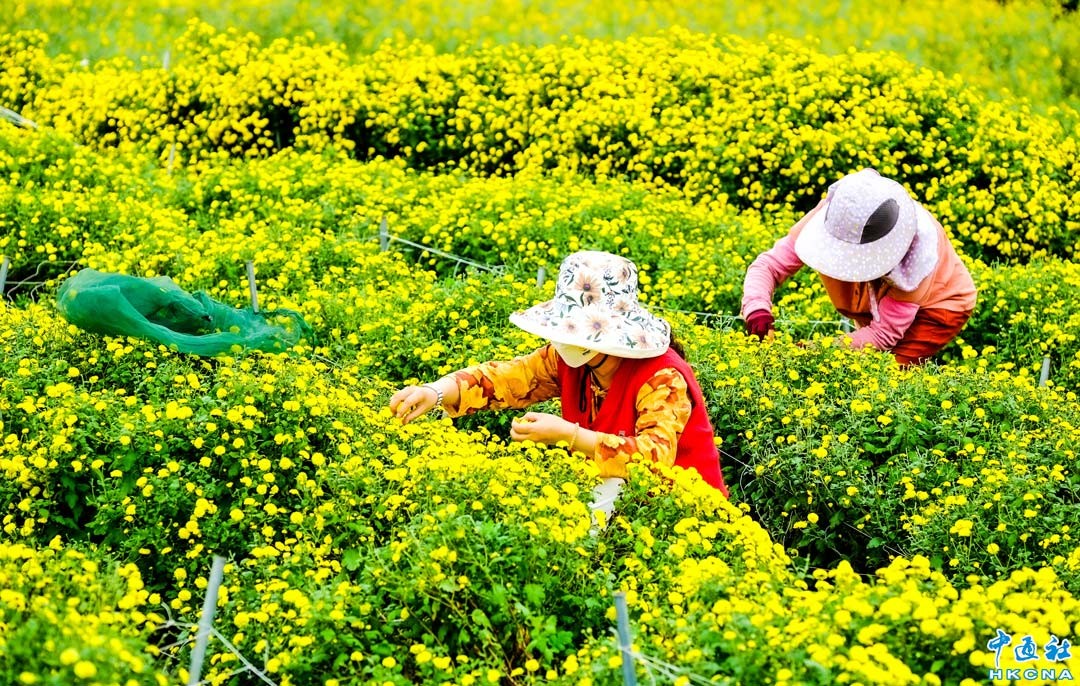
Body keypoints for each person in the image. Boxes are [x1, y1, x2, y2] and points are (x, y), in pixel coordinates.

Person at [390, 250, 730, 503]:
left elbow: (654, 457)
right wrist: (435, 392)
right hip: (622, 504)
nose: (566, 342)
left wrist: (569, 435)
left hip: (686, 514)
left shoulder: (663, 376)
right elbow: (508, 378)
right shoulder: (571, 360)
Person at [741, 168, 977, 366]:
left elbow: (883, 334)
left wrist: (812, 351)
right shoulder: (836, 215)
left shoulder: (917, 256)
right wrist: (757, 310)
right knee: (860, 367)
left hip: (938, 306)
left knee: (893, 375)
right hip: (874, 305)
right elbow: (768, 266)